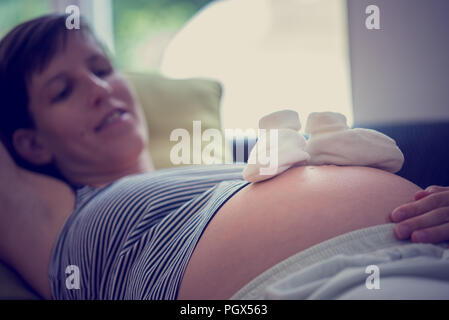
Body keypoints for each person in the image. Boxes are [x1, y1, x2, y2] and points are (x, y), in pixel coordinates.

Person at [0, 14, 448, 300]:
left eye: (101, 70)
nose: (99, 89)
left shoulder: (223, 163)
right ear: (31, 143)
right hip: (320, 286)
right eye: (63, 90)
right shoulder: (52, 220)